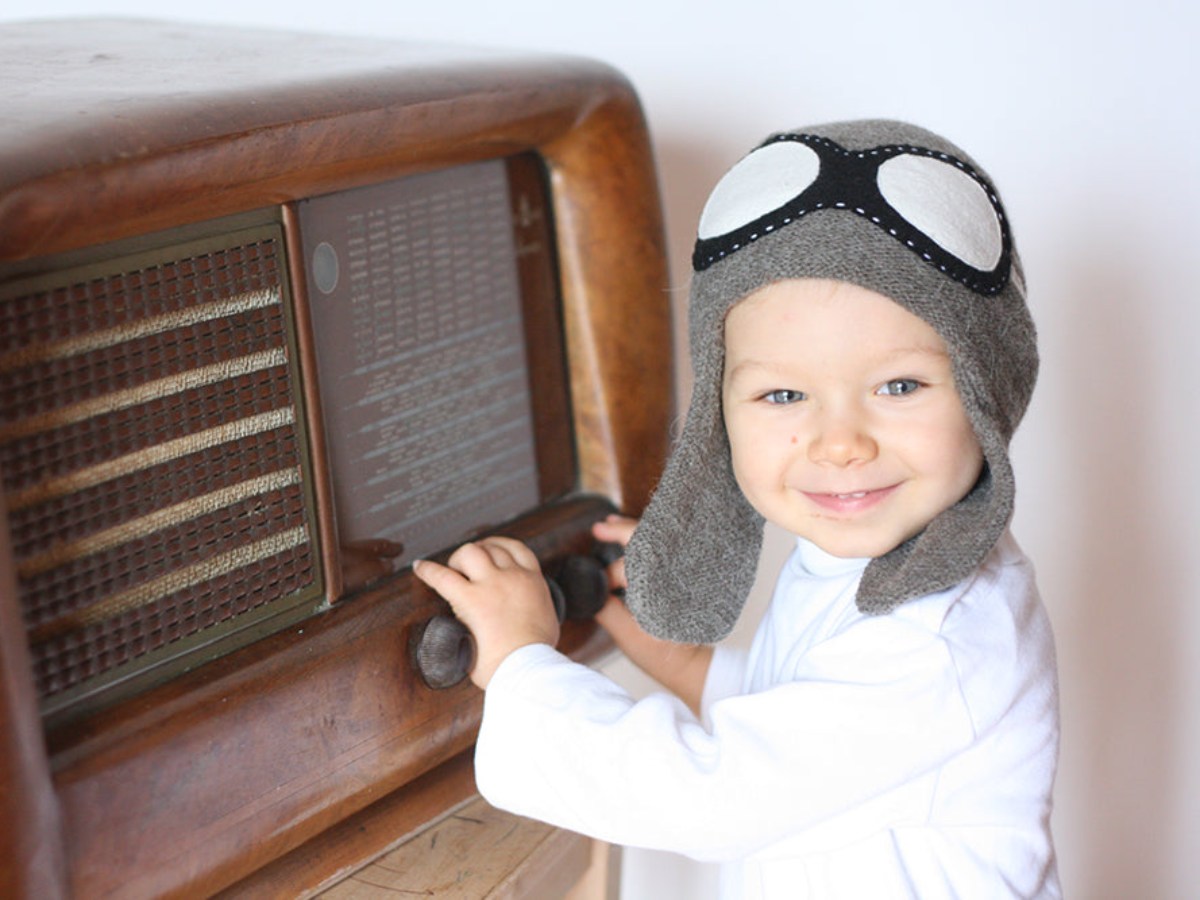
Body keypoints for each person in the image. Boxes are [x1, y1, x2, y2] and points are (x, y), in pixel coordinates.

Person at [413, 119, 1060, 898]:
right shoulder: (875, 565)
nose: (840, 444)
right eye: (783, 395)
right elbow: (808, 718)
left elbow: (709, 798)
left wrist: (521, 663)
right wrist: (687, 665)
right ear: (718, 416)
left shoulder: (942, 640)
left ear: (988, 387)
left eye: (899, 386)